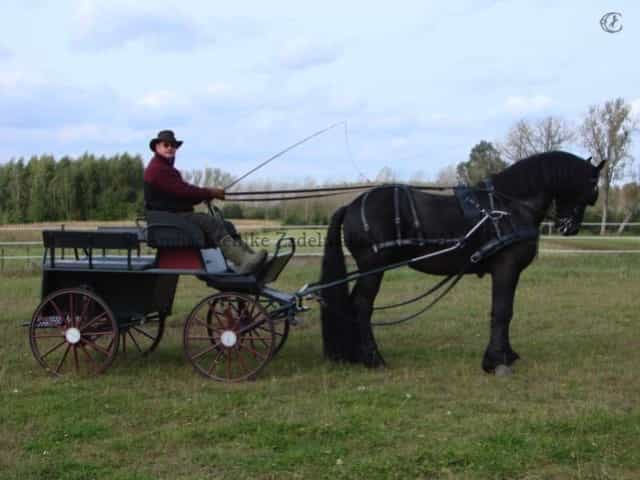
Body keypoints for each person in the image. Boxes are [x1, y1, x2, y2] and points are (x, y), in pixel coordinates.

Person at [143, 129, 267, 274]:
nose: (170, 147)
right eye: (166, 145)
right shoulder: (158, 169)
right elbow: (184, 191)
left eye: (173, 145)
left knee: (225, 225)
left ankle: (250, 258)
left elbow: (183, 194)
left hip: (174, 216)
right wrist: (209, 192)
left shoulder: (165, 169)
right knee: (208, 221)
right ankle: (243, 260)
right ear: (157, 147)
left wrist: (206, 194)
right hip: (170, 218)